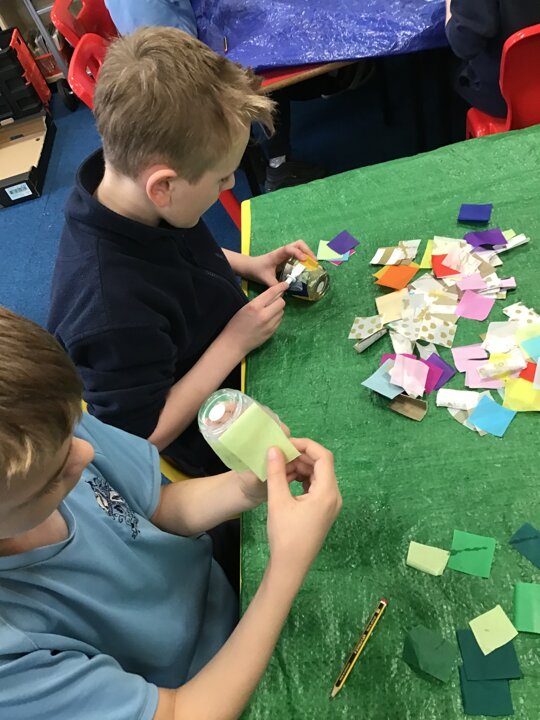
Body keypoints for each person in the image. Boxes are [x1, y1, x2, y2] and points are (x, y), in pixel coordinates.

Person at [0, 305, 342, 720]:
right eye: (53, 479)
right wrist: (286, 568)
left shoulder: (39, 427)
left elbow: (157, 507)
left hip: (219, 590)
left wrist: (242, 487)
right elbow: (181, 712)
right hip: (200, 687)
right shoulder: (10, 663)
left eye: (74, 433)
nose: (86, 454)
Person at [48, 28, 315, 477]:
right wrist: (234, 341)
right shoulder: (109, 313)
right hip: (218, 432)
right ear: (163, 187)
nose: (230, 184)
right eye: (222, 178)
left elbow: (174, 253)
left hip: (227, 345)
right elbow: (143, 437)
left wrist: (248, 264)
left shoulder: (130, 194)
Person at [103, 0, 369, 191]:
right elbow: (178, 53)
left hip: (173, 58)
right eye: (224, 180)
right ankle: (279, 163)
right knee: (263, 67)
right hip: (178, 79)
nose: (229, 183)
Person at [445, 0, 540, 117]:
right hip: (530, 77)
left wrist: (449, 8)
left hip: (506, 97)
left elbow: (465, 45)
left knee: (441, 64)